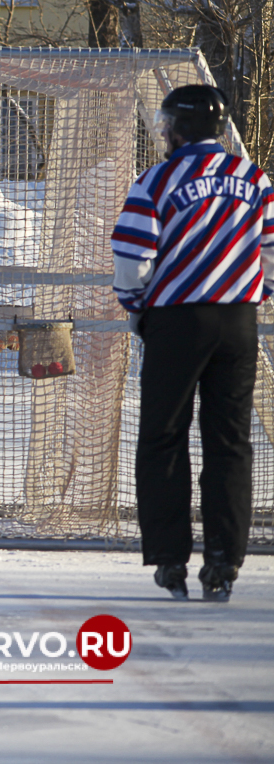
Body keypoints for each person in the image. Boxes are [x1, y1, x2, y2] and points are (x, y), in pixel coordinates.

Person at [112, 84, 274, 602]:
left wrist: (137, 307)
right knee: (230, 442)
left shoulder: (157, 179)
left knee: (163, 435)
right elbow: (271, 254)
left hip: (177, 320)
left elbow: (132, 257)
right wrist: (251, 295)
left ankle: (170, 558)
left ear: (178, 128)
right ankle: (224, 560)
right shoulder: (254, 177)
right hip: (238, 321)